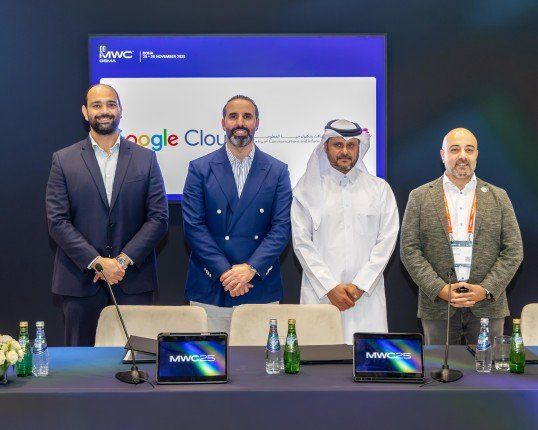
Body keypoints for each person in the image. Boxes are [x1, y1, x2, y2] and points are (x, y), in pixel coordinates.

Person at [46, 84, 168, 346]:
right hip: (80, 282)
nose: (104, 111)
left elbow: (158, 219)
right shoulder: (63, 160)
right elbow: (57, 221)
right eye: (97, 105)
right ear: (85, 112)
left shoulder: (146, 159)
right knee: (81, 364)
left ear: (120, 110)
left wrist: (120, 262)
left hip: (133, 281)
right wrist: (97, 262)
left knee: (137, 361)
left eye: (111, 104)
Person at [400, 128, 523, 345]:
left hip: (487, 306)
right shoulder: (419, 196)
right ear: (443, 155)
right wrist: (439, 289)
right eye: (455, 149)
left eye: (469, 150)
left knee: (486, 367)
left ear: (477, 155)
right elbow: (409, 250)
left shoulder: (499, 196)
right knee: (438, 365)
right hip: (438, 307)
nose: (463, 156)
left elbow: (514, 251)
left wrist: (485, 289)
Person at [182, 95, 292, 333]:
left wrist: (250, 269)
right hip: (211, 285)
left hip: (259, 285)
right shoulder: (199, 169)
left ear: (257, 123)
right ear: (223, 123)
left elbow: (281, 228)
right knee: (210, 357)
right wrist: (226, 273)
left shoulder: (277, 171)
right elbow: (194, 227)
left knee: (261, 356)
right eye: (233, 116)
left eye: (247, 116)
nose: (240, 123)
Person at [292, 119, 399, 343]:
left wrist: (360, 285)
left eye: (351, 145)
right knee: (320, 359)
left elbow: (387, 241)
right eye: (338, 145)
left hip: (365, 298)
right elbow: (302, 243)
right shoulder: (306, 190)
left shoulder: (379, 189)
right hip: (321, 295)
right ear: (325, 147)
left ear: (359, 147)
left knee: (367, 358)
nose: (345, 151)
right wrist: (330, 287)